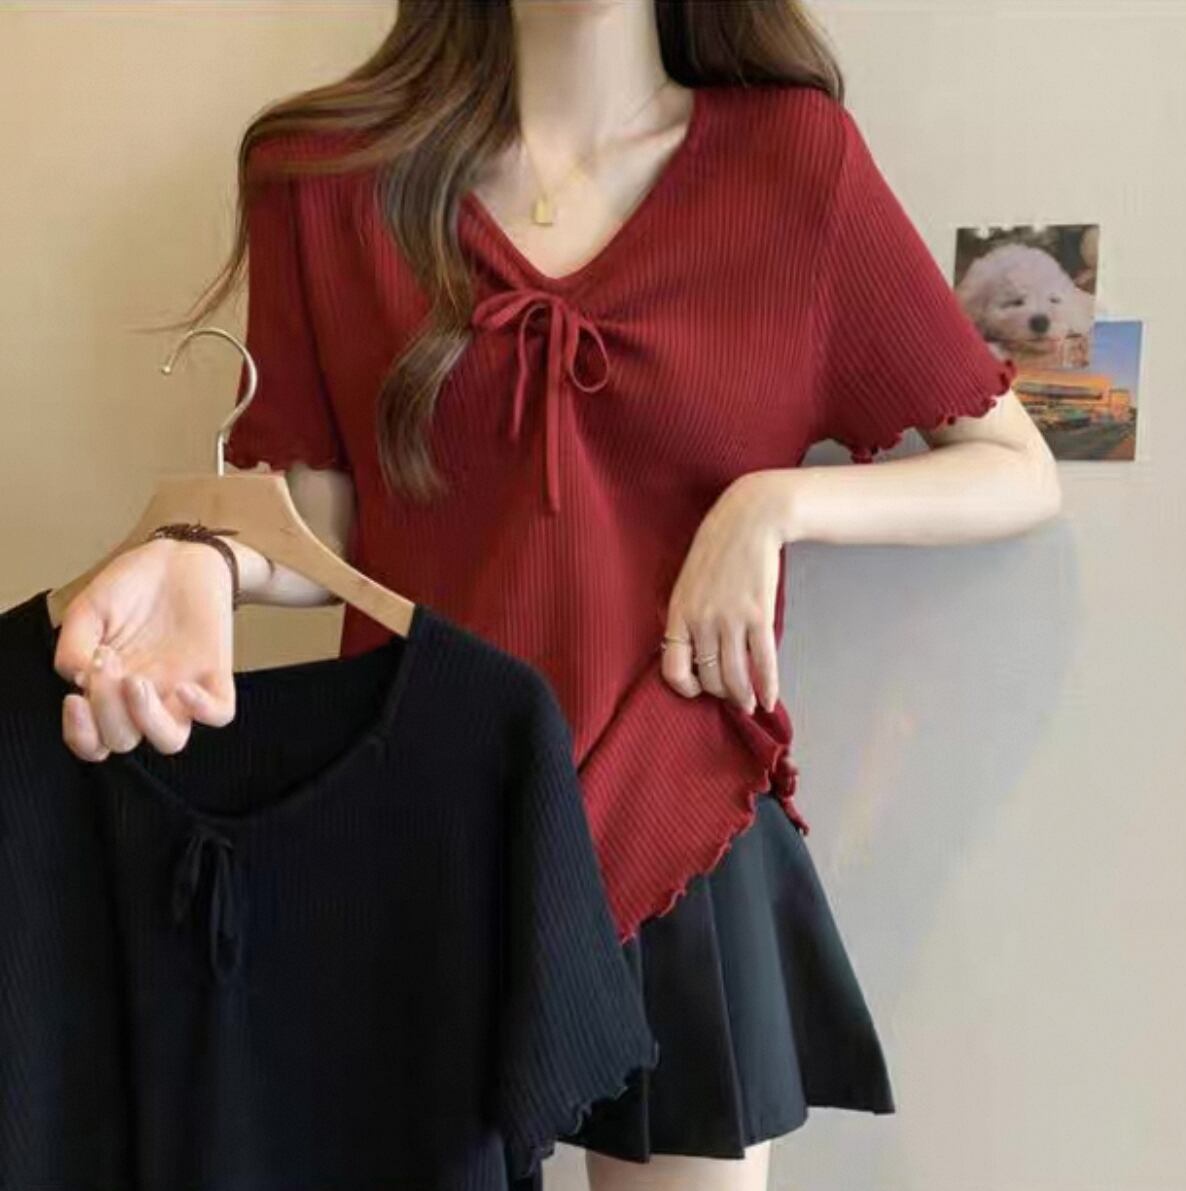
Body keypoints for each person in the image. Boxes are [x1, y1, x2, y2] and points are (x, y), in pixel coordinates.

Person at [52, 3, 1062, 1189]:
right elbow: (331, 517)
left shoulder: (795, 162)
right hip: (424, 815)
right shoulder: (324, 177)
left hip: (682, 816)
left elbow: (1014, 467)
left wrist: (775, 506)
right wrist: (208, 559)